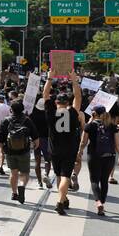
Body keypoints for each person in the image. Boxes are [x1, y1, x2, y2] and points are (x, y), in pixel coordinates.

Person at [45, 76, 85, 216]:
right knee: (66, 176)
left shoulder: (51, 112)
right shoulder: (73, 113)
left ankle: (62, 198)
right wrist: (74, 80)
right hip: (70, 149)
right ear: (68, 102)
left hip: (54, 149)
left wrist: (50, 77)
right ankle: (61, 201)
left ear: (55, 102)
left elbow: (45, 95)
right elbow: (78, 97)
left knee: (58, 175)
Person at [79, 103, 119, 216]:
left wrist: (80, 152)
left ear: (93, 114)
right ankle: (102, 202)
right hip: (109, 156)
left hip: (94, 156)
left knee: (94, 180)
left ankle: (98, 202)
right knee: (104, 181)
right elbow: (118, 144)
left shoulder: (90, 126)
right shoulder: (113, 126)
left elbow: (83, 142)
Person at [0, 99, 38, 204]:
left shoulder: (6, 121)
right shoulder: (27, 120)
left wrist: (2, 150)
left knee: (13, 172)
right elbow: (35, 137)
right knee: (24, 173)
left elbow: (1, 139)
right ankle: (22, 185)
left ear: (11, 110)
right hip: (24, 151)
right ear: (23, 109)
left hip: (10, 151)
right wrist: (34, 146)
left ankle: (14, 193)